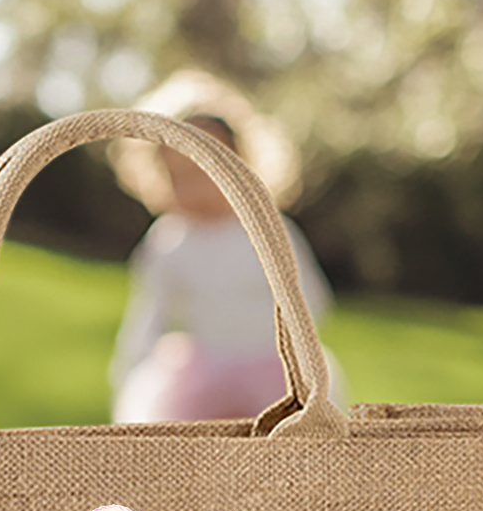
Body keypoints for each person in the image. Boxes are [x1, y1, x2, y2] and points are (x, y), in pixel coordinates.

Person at [107, 70, 336, 422]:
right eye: (178, 178)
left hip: (273, 371)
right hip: (201, 375)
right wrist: (130, 373)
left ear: (241, 165)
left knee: (286, 440)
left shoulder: (269, 230)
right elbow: (149, 315)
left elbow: (312, 302)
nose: (194, 191)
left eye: (203, 175)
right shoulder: (169, 241)